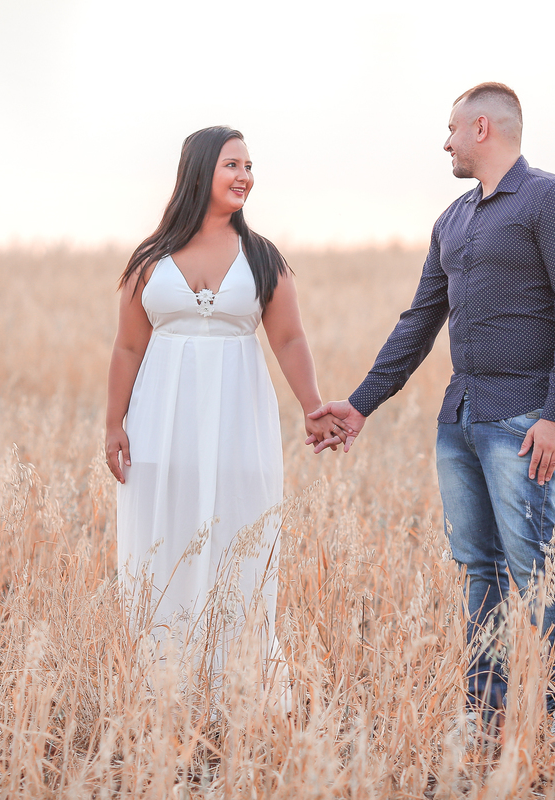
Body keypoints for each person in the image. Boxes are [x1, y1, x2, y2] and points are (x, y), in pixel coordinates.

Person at [309, 83, 555, 741]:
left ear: (481, 128)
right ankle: (483, 712)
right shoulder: (453, 219)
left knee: (532, 562)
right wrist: (360, 405)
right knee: (480, 570)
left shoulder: (553, 201)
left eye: (449, 130)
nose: (443, 142)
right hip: (460, 418)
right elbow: (419, 323)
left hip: (525, 418)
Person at [106, 126, 344, 670]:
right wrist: (113, 424)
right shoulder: (150, 259)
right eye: (232, 166)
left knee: (238, 540)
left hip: (239, 419)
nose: (245, 177)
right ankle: (162, 682)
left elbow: (289, 339)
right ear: (199, 172)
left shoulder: (262, 258)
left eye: (249, 167)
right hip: (160, 421)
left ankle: (237, 682)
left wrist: (313, 406)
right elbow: (126, 347)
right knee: (164, 543)